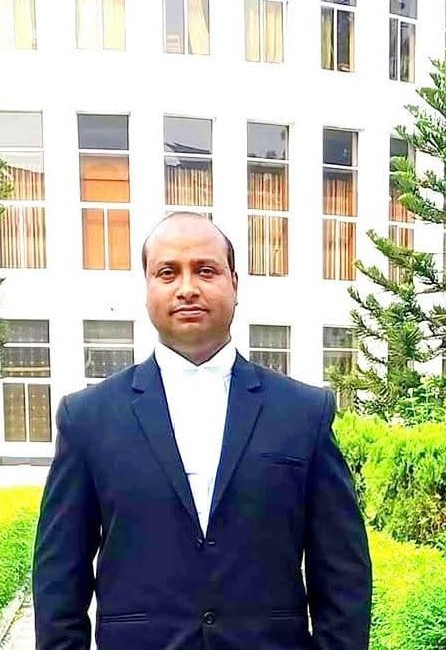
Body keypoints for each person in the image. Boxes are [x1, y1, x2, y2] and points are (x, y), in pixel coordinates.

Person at [33, 212, 372, 650]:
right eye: (168, 272)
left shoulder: (304, 413)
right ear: (147, 288)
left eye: (205, 270)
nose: (187, 288)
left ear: (235, 284)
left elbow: (343, 573)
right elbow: (59, 576)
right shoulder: (87, 419)